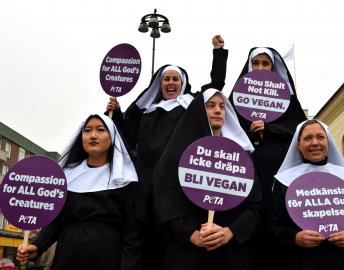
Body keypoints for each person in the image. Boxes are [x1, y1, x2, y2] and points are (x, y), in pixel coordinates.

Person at [106, 35, 228, 270]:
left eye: (175, 79)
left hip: (175, 184)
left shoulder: (190, 106)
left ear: (182, 83)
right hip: (145, 184)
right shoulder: (146, 111)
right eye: (166, 79)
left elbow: (215, 86)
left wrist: (218, 52)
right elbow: (125, 138)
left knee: (171, 239)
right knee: (142, 238)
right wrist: (117, 112)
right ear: (159, 84)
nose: (171, 83)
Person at [153, 89, 263, 270]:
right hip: (187, 253)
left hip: (230, 252)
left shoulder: (242, 157)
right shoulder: (178, 154)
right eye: (210, 106)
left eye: (222, 106)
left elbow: (255, 205)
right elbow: (164, 200)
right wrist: (190, 234)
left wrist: (230, 232)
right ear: (198, 111)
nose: (218, 110)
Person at [16, 114, 140, 270]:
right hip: (68, 253)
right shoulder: (66, 177)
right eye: (87, 130)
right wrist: (37, 246)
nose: (93, 135)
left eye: (100, 130)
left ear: (112, 137)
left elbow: (133, 233)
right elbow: (56, 220)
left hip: (108, 256)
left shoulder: (125, 179)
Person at [228, 47, 308, 269]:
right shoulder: (236, 99)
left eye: (266, 64)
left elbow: (300, 132)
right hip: (246, 175)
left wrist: (271, 128)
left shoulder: (289, 101)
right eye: (256, 63)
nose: (261, 68)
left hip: (279, 174)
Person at [270, 119, 344, 270]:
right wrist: (294, 238)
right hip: (301, 262)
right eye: (307, 138)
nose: (314, 143)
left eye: (320, 137)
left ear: (328, 142)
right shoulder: (283, 181)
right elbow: (273, 227)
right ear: (298, 145)